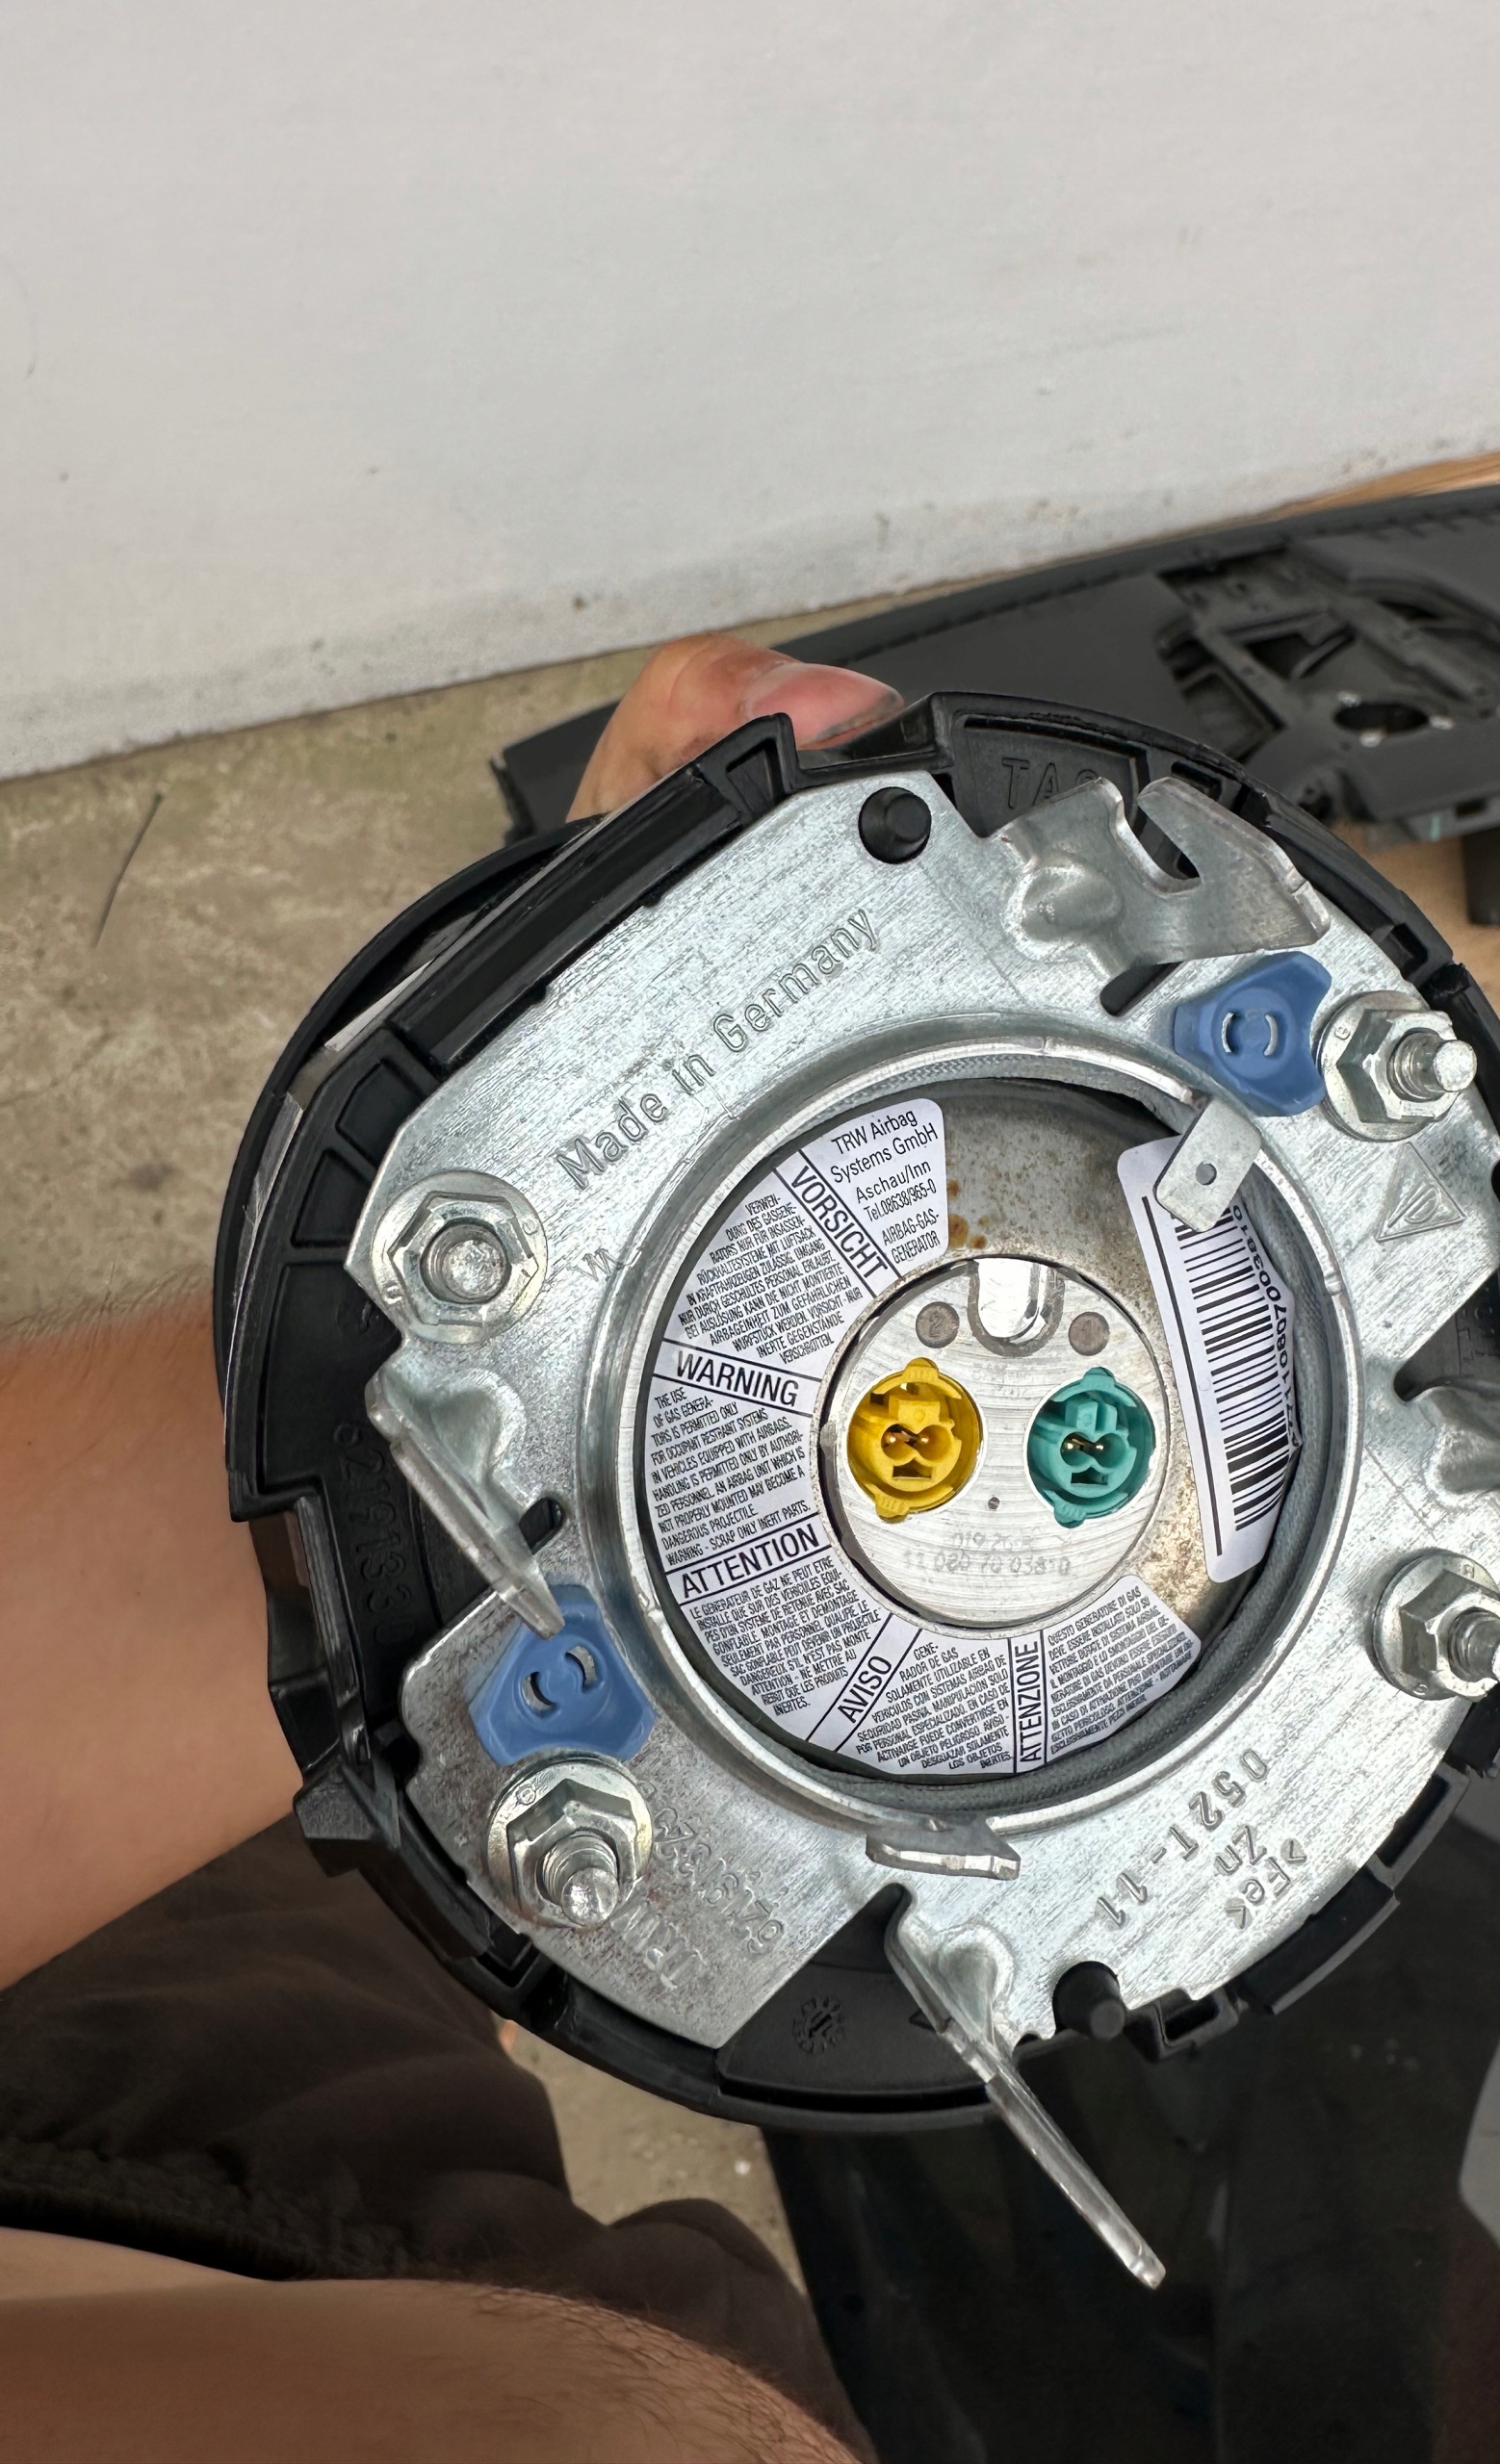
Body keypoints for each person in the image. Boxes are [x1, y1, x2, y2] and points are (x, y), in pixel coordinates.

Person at [0, 634, 903, 2464]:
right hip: (383, 2236)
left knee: (382, 1805)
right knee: (437, 1826)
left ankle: (509, 1239)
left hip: (123, 2146)